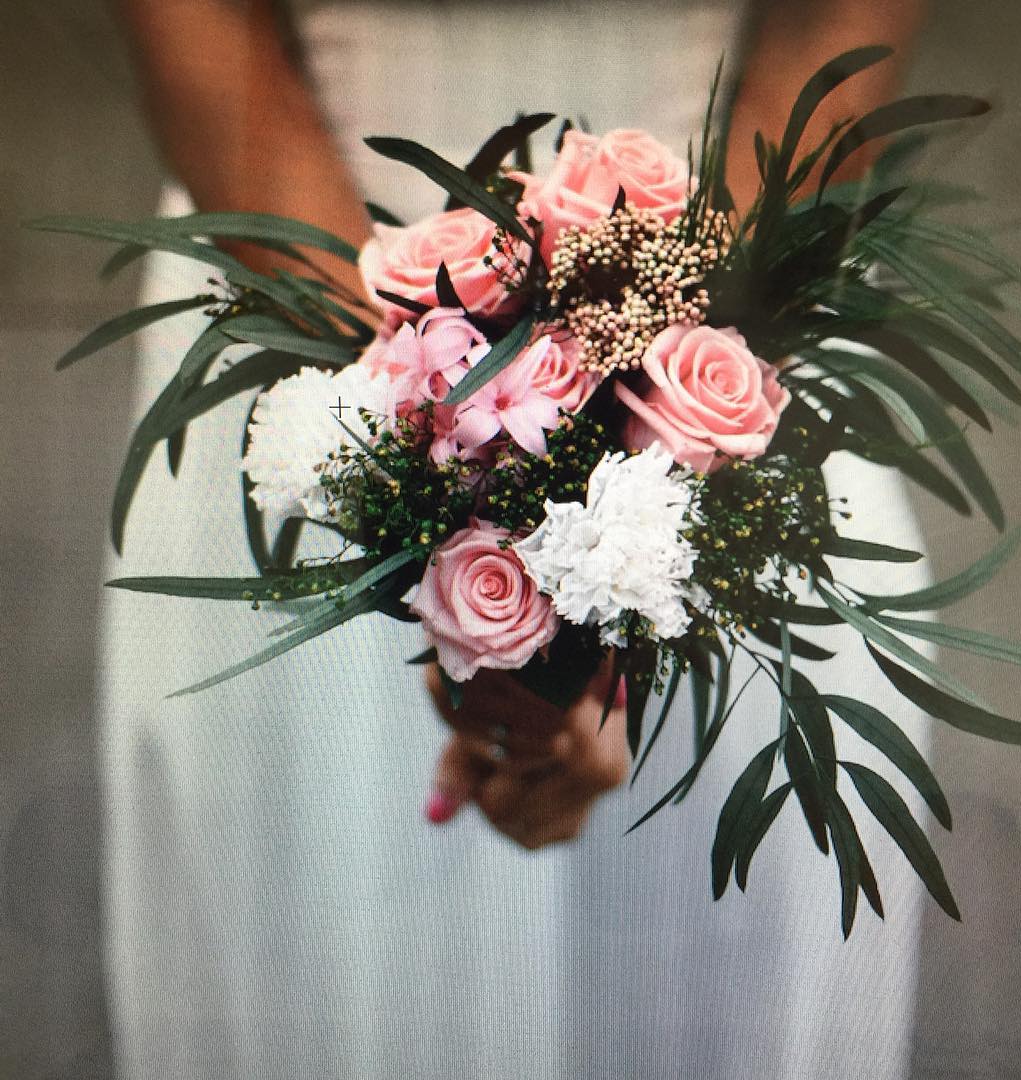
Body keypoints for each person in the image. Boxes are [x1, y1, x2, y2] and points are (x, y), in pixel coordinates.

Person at [100, 1, 931, 1076]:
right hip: (301, 295)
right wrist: (431, 489)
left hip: (726, 290)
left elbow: (834, 33)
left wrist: (649, 457)